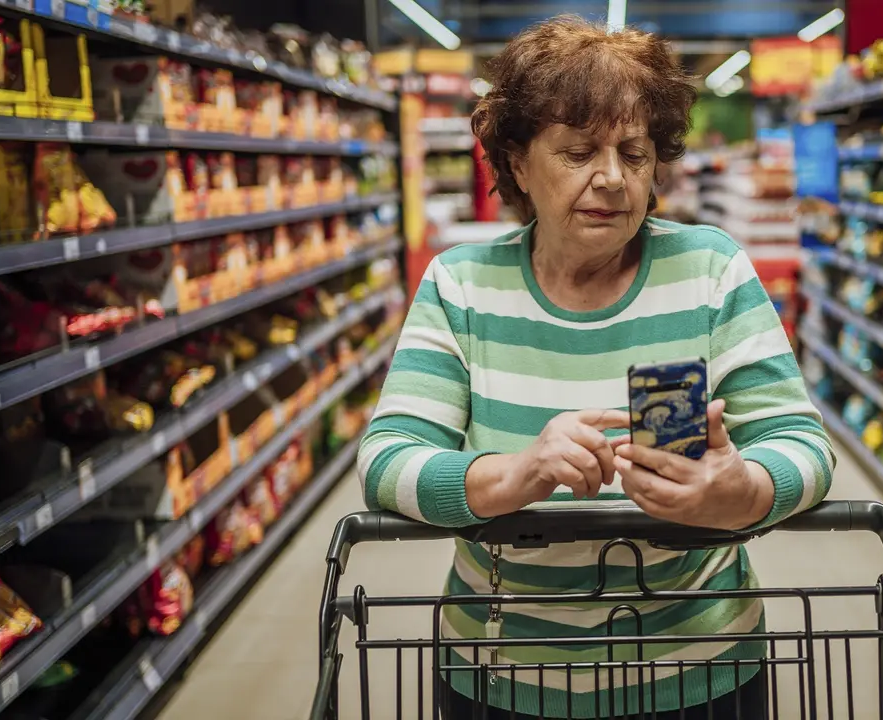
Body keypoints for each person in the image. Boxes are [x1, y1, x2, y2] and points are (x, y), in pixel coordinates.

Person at [357, 15, 835, 719]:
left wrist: (740, 490)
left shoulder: (709, 270)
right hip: (505, 676)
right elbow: (387, 463)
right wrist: (516, 474)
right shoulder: (461, 285)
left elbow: (806, 447)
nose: (611, 179)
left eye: (634, 154)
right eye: (579, 152)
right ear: (519, 163)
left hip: (699, 672)